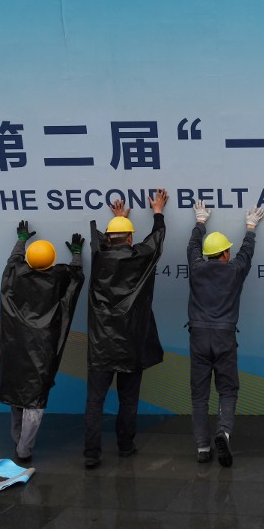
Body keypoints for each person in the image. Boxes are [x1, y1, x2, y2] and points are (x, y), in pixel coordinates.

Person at [83, 190, 168, 469]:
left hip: (101, 345)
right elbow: (156, 241)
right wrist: (157, 212)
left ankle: (91, 454)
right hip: (130, 345)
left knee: (95, 402)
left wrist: (118, 220)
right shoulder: (140, 258)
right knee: (128, 400)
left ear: (108, 238)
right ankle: (125, 446)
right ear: (131, 238)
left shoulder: (98, 256)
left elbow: (105, 242)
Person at [0, 221, 84, 463]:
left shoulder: (14, 275)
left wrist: (21, 240)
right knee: (34, 401)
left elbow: (12, 262)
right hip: (41, 351)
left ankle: (18, 440)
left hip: (13, 347)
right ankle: (24, 449)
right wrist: (76, 256)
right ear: (52, 262)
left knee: (17, 395)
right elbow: (74, 283)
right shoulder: (58, 279)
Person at [187, 202, 264, 467]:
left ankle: (202, 447)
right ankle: (224, 432)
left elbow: (192, 247)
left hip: (198, 336)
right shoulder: (234, 270)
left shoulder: (196, 267)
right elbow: (246, 253)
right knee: (228, 390)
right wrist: (251, 227)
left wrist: (200, 222)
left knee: (199, 395)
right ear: (225, 253)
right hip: (224, 337)